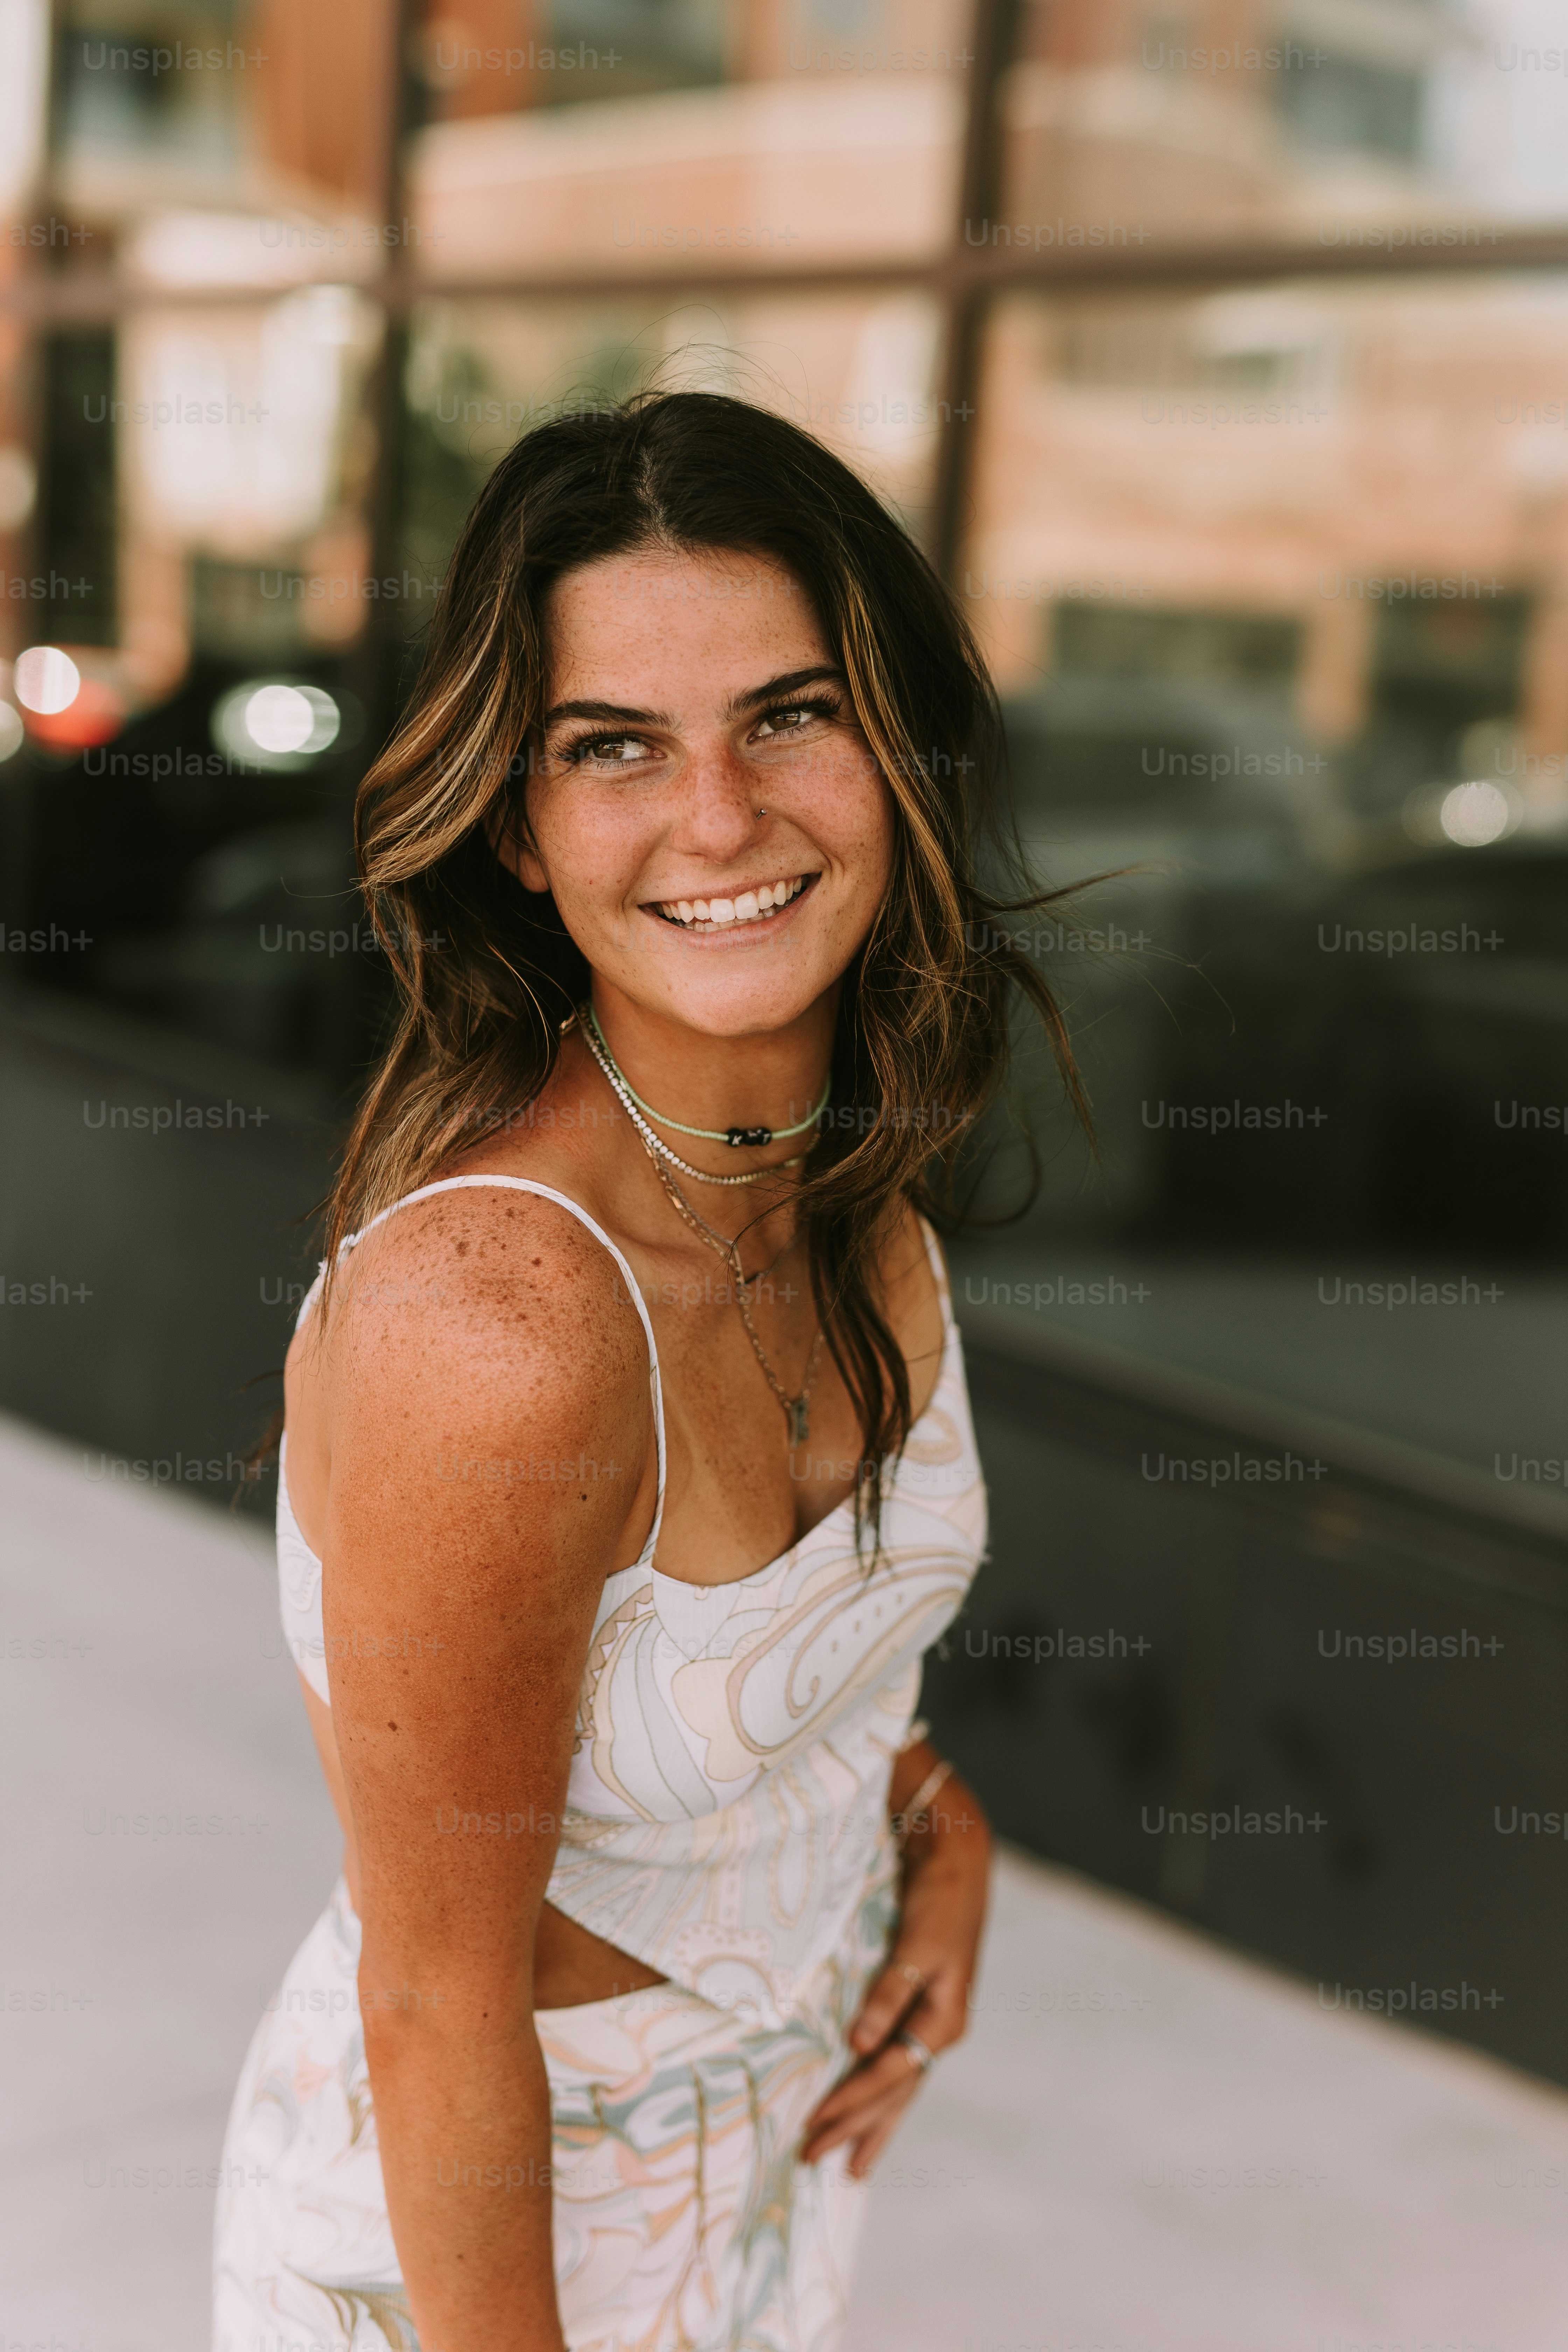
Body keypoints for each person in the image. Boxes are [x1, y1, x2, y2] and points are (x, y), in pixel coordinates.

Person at [213, 390, 1082, 2352]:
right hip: (492, 2250)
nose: (719, 818)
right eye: (614, 747)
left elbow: (746, 1671)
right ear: (517, 826)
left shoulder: (849, 1183)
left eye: (789, 712)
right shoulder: (505, 1321)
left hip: (772, 2163)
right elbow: (439, 2005)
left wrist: (934, 1824)